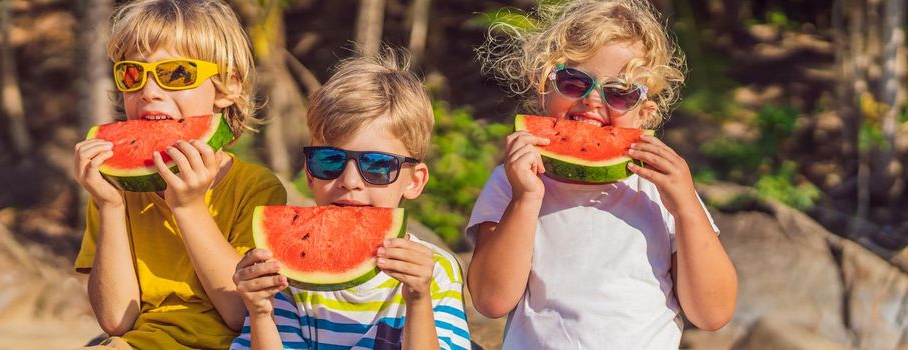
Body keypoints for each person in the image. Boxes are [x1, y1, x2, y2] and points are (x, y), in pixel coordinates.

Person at [466, 0, 738, 348]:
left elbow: (712, 313)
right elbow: (491, 301)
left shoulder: (660, 190)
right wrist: (526, 199)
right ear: (544, 86)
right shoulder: (512, 182)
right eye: (574, 81)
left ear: (645, 114)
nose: (593, 101)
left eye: (620, 92)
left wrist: (686, 207)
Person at [72, 1, 286, 348]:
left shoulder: (256, 188)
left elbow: (239, 313)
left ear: (227, 87)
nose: (150, 91)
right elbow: (116, 320)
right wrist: (110, 205)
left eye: (176, 74)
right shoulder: (113, 188)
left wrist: (187, 207)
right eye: (132, 74)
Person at [230, 51, 472, 350]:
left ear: (415, 181)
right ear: (309, 173)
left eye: (377, 165)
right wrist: (261, 312)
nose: (349, 181)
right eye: (330, 160)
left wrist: (419, 300)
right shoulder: (283, 271)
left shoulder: (434, 270)